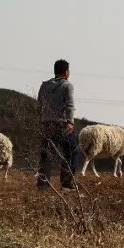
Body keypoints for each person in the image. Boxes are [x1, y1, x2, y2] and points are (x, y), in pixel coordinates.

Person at [37, 58, 77, 190]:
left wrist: (41, 121)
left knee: (46, 155)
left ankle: (43, 185)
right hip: (62, 125)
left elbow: (39, 105)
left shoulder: (44, 85)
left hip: (46, 124)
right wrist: (70, 122)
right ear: (66, 72)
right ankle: (66, 184)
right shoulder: (67, 85)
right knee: (71, 151)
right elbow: (70, 106)